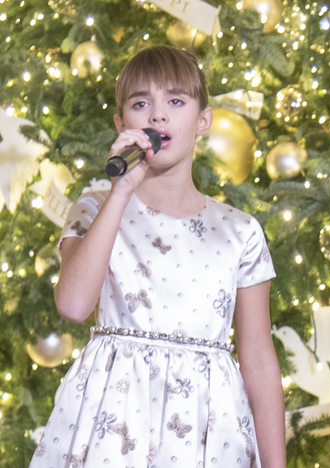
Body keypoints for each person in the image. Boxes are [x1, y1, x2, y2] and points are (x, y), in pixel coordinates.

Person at [29, 46, 286, 468]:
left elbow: (258, 358)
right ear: (121, 122)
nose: (158, 116)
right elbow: (73, 305)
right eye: (141, 103)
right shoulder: (95, 209)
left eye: (176, 101)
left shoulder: (240, 232)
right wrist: (122, 191)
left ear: (203, 121)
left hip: (208, 430)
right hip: (113, 426)